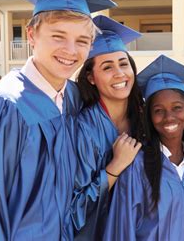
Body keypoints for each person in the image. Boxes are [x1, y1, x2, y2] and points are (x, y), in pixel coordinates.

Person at [0, 0, 115, 239]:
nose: (71, 51)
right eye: (58, 37)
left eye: (83, 41)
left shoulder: (73, 99)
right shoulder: (4, 106)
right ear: (31, 34)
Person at [104, 55, 184, 240]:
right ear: (149, 115)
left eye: (177, 108)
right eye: (158, 110)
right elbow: (123, 228)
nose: (169, 117)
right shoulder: (137, 165)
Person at [73, 15, 144, 239]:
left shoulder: (144, 121)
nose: (119, 73)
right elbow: (75, 208)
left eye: (123, 64)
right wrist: (116, 166)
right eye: (107, 67)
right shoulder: (83, 129)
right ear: (91, 77)